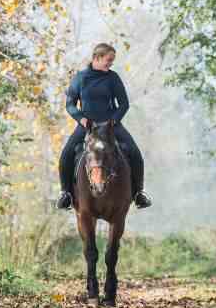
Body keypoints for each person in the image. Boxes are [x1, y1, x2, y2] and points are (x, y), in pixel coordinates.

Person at [56, 42, 152, 210]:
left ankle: (139, 193)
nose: (110, 64)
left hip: (111, 126)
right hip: (87, 126)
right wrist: (81, 119)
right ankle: (66, 194)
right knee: (66, 154)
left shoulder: (113, 78)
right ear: (97, 58)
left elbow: (124, 104)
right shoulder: (80, 78)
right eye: (108, 60)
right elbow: (70, 104)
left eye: (112, 61)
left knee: (135, 152)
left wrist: (114, 120)